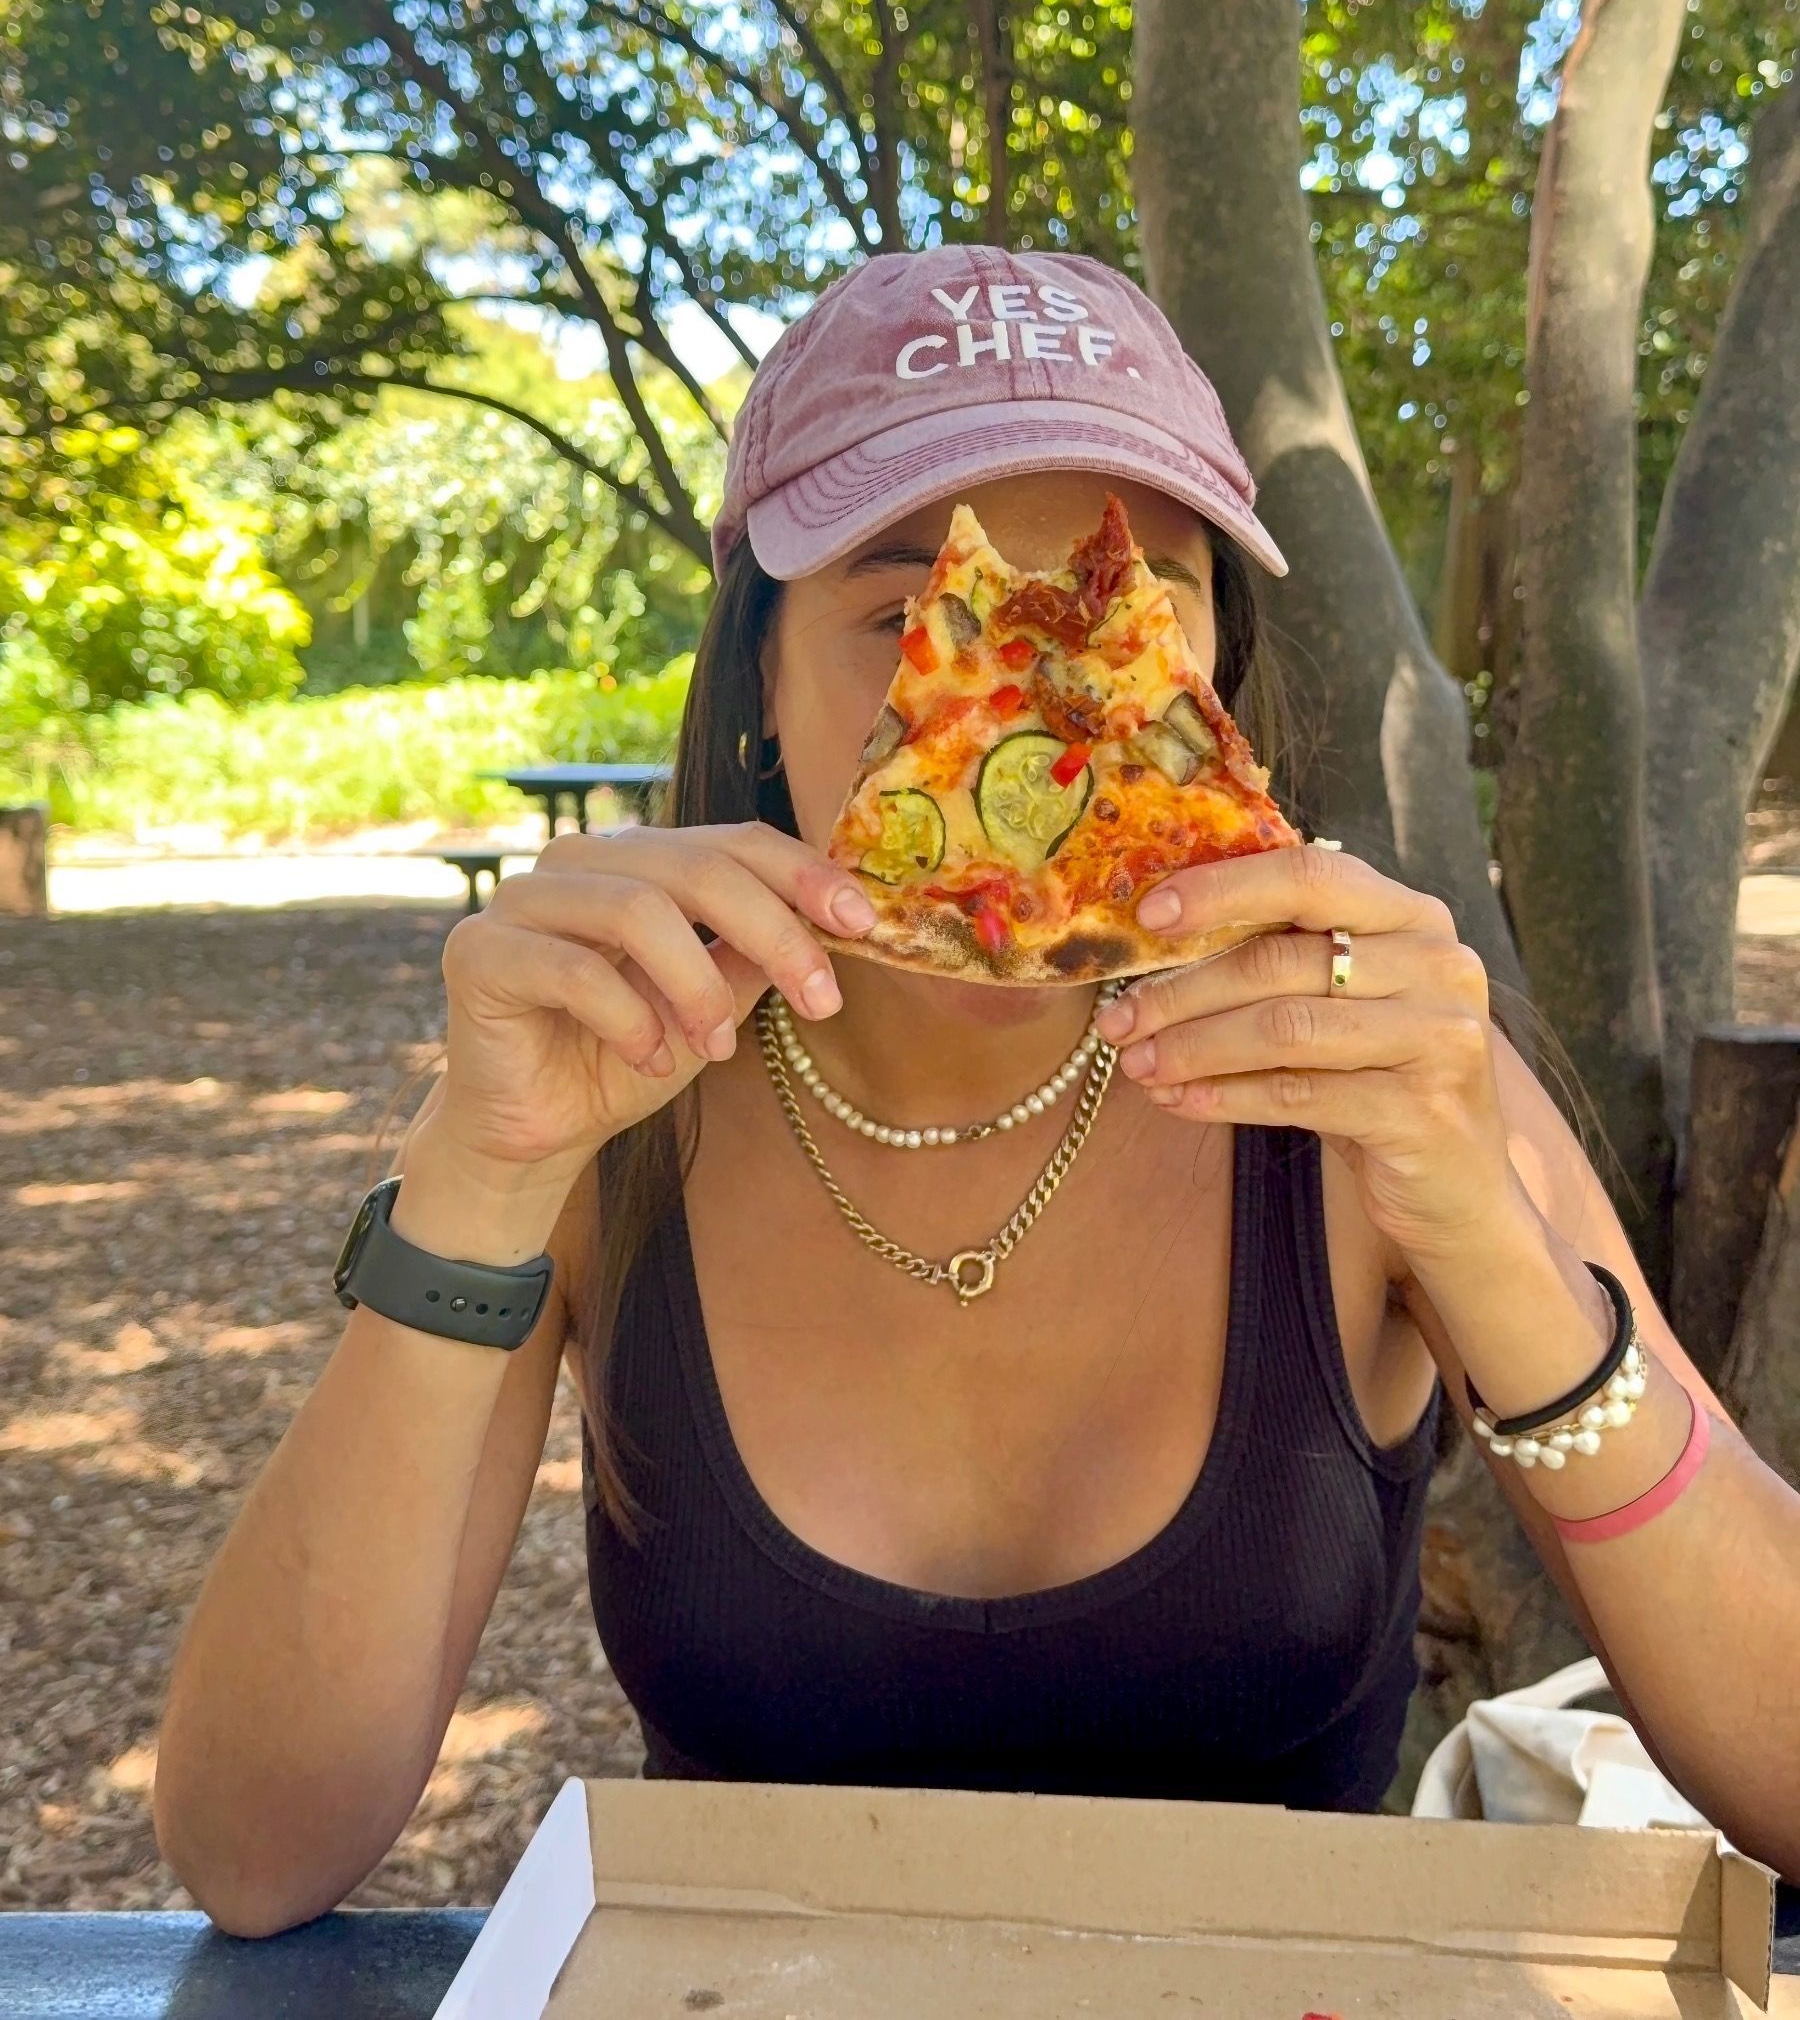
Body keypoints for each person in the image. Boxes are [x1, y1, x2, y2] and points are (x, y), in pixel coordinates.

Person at [153, 247, 1800, 1935]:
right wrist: (473, 1176)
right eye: (913, 610)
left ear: (1216, 681)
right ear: (755, 691)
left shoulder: (1386, 1092)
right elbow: (254, 1854)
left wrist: (1501, 1257)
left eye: (1131, 603)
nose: (1039, 709)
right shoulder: (605, 1120)